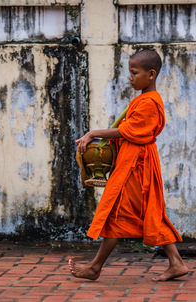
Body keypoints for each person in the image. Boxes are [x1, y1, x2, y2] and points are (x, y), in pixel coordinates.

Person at [68, 49, 188, 281]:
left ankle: (95, 267)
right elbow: (127, 132)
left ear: (151, 74)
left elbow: (129, 131)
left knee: (117, 213)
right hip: (133, 162)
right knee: (151, 212)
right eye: (129, 72)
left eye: (134, 73)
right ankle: (176, 262)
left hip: (137, 166)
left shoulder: (150, 103)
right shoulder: (142, 99)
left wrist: (93, 133)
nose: (130, 77)